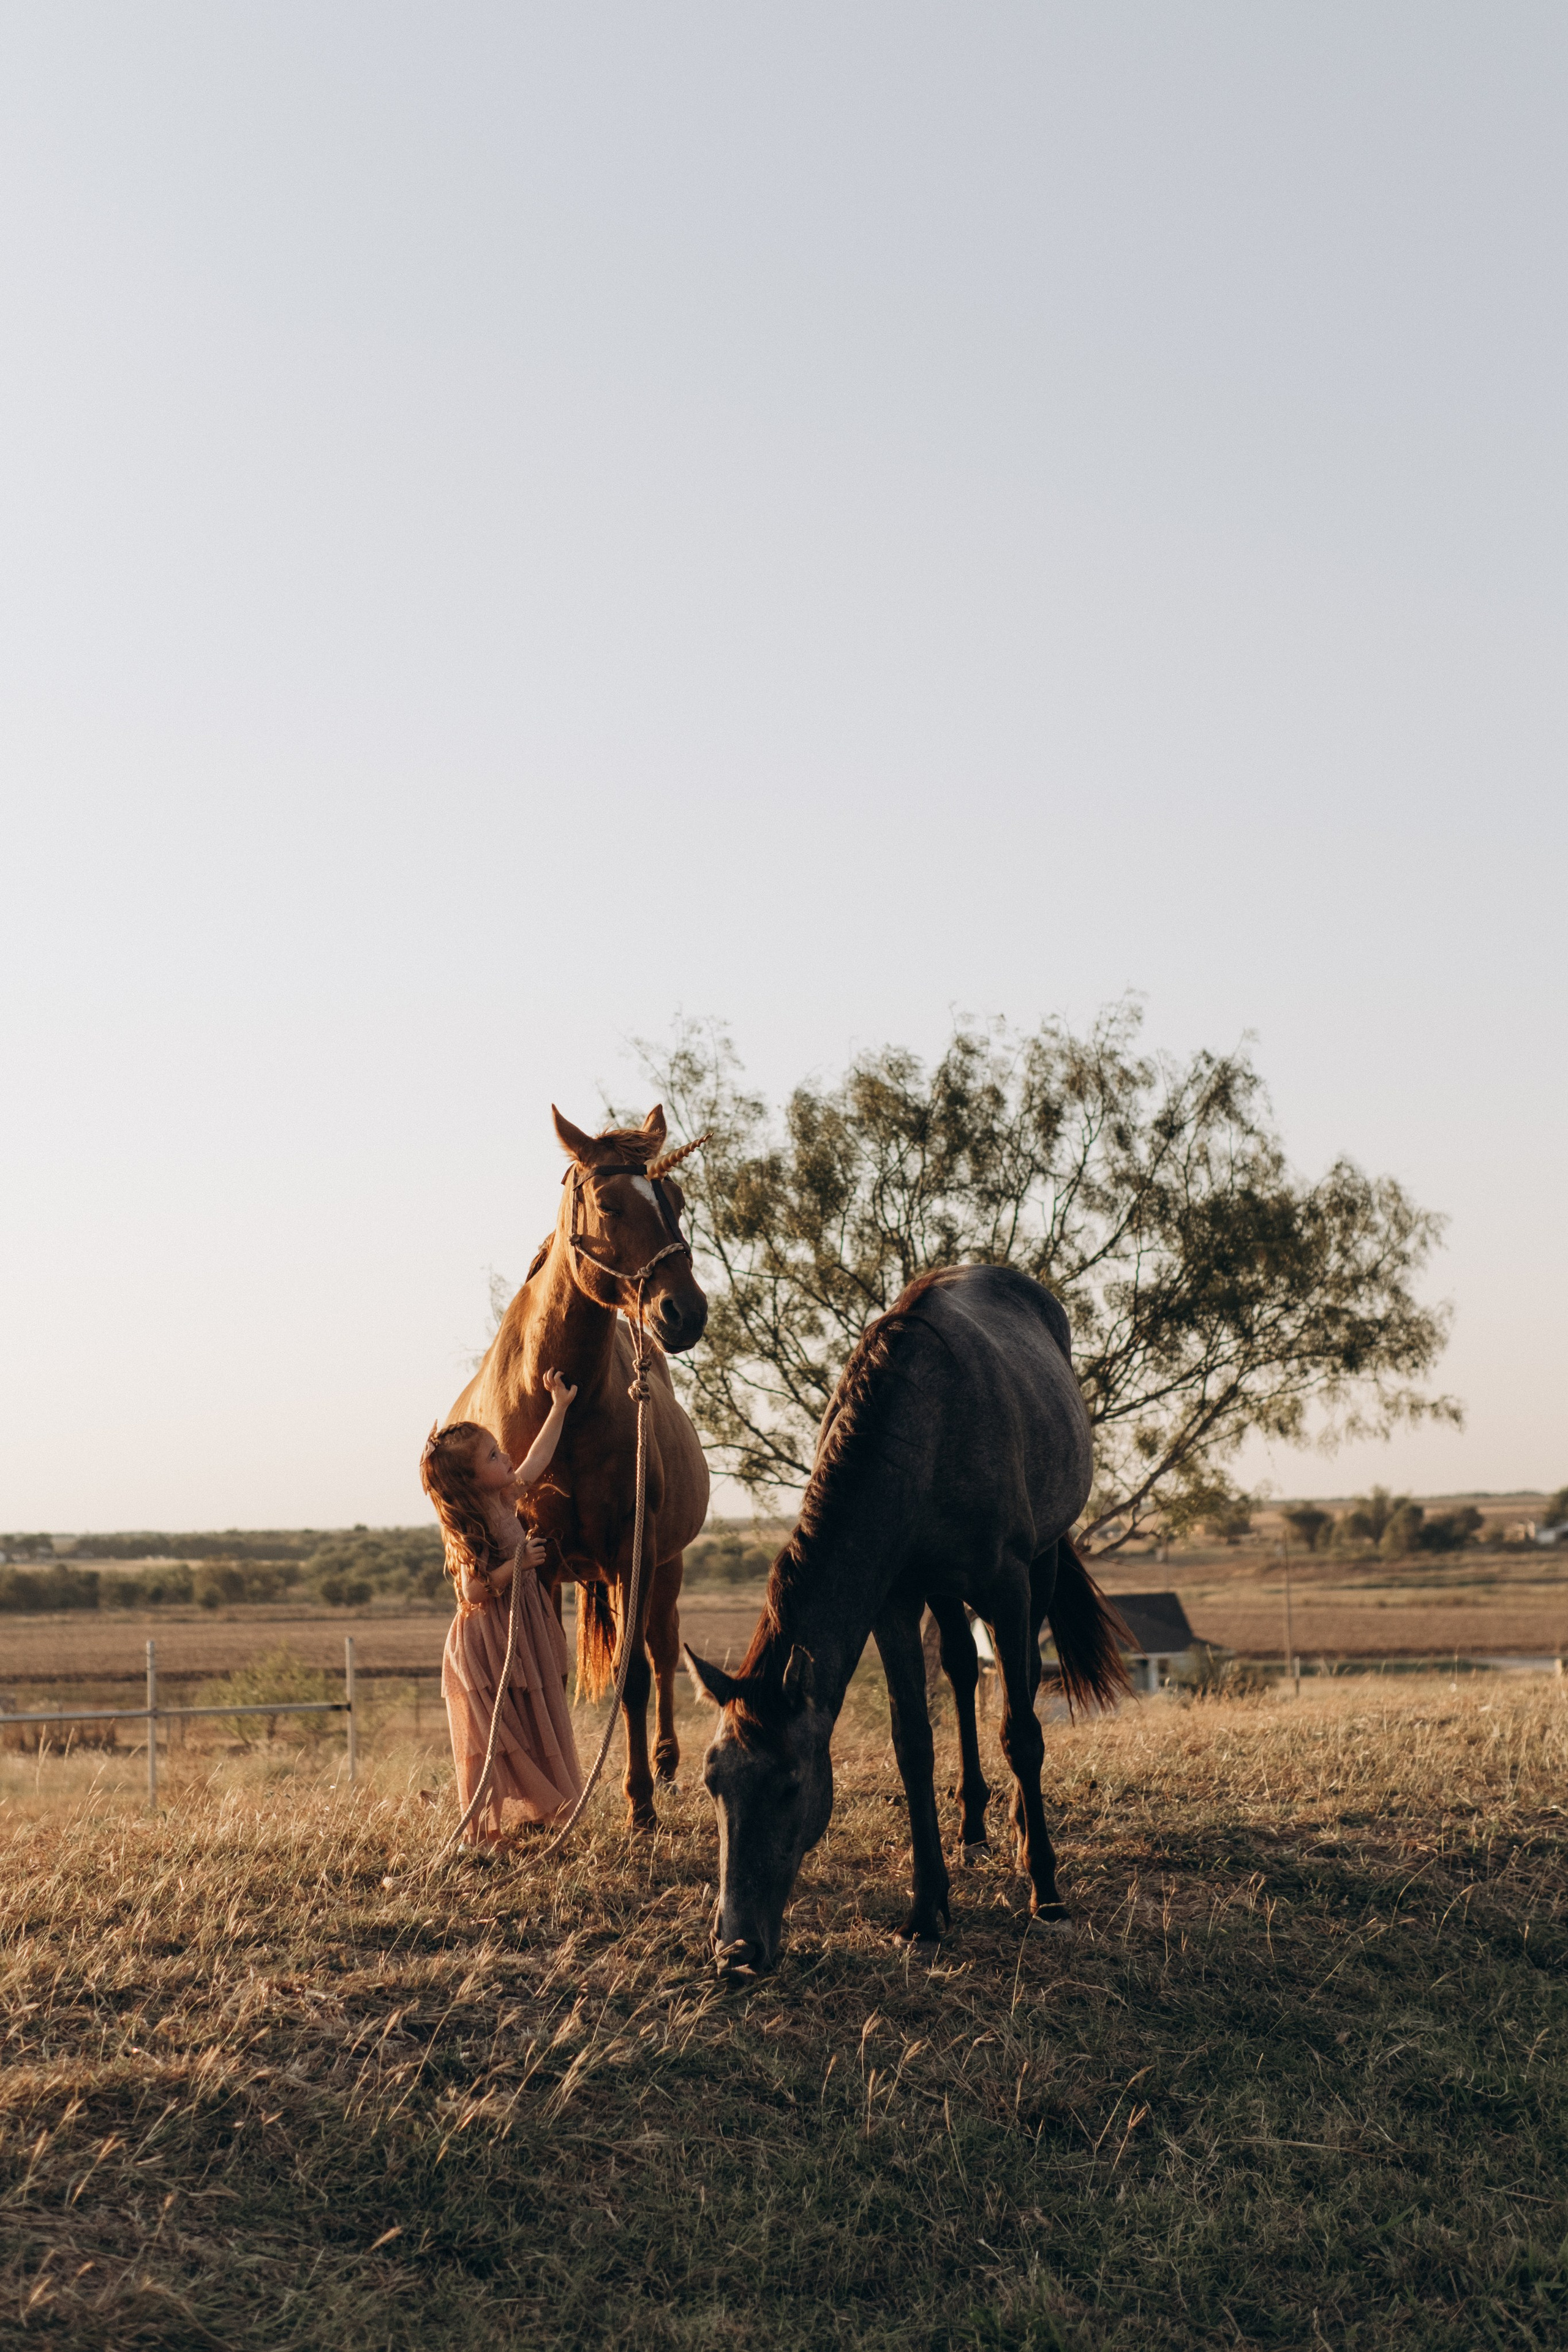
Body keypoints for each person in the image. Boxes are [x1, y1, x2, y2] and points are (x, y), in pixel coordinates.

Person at [420, 1373, 582, 1847]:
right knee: (495, 1734)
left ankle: (546, 1810)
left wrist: (560, 1407)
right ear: (470, 1479)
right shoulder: (466, 1527)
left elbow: (536, 1460)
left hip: (519, 1628)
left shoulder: (502, 1496)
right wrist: (517, 1564)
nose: (505, 1457)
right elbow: (472, 1591)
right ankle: (481, 1831)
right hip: (489, 1640)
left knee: (531, 1716)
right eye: (493, 1456)